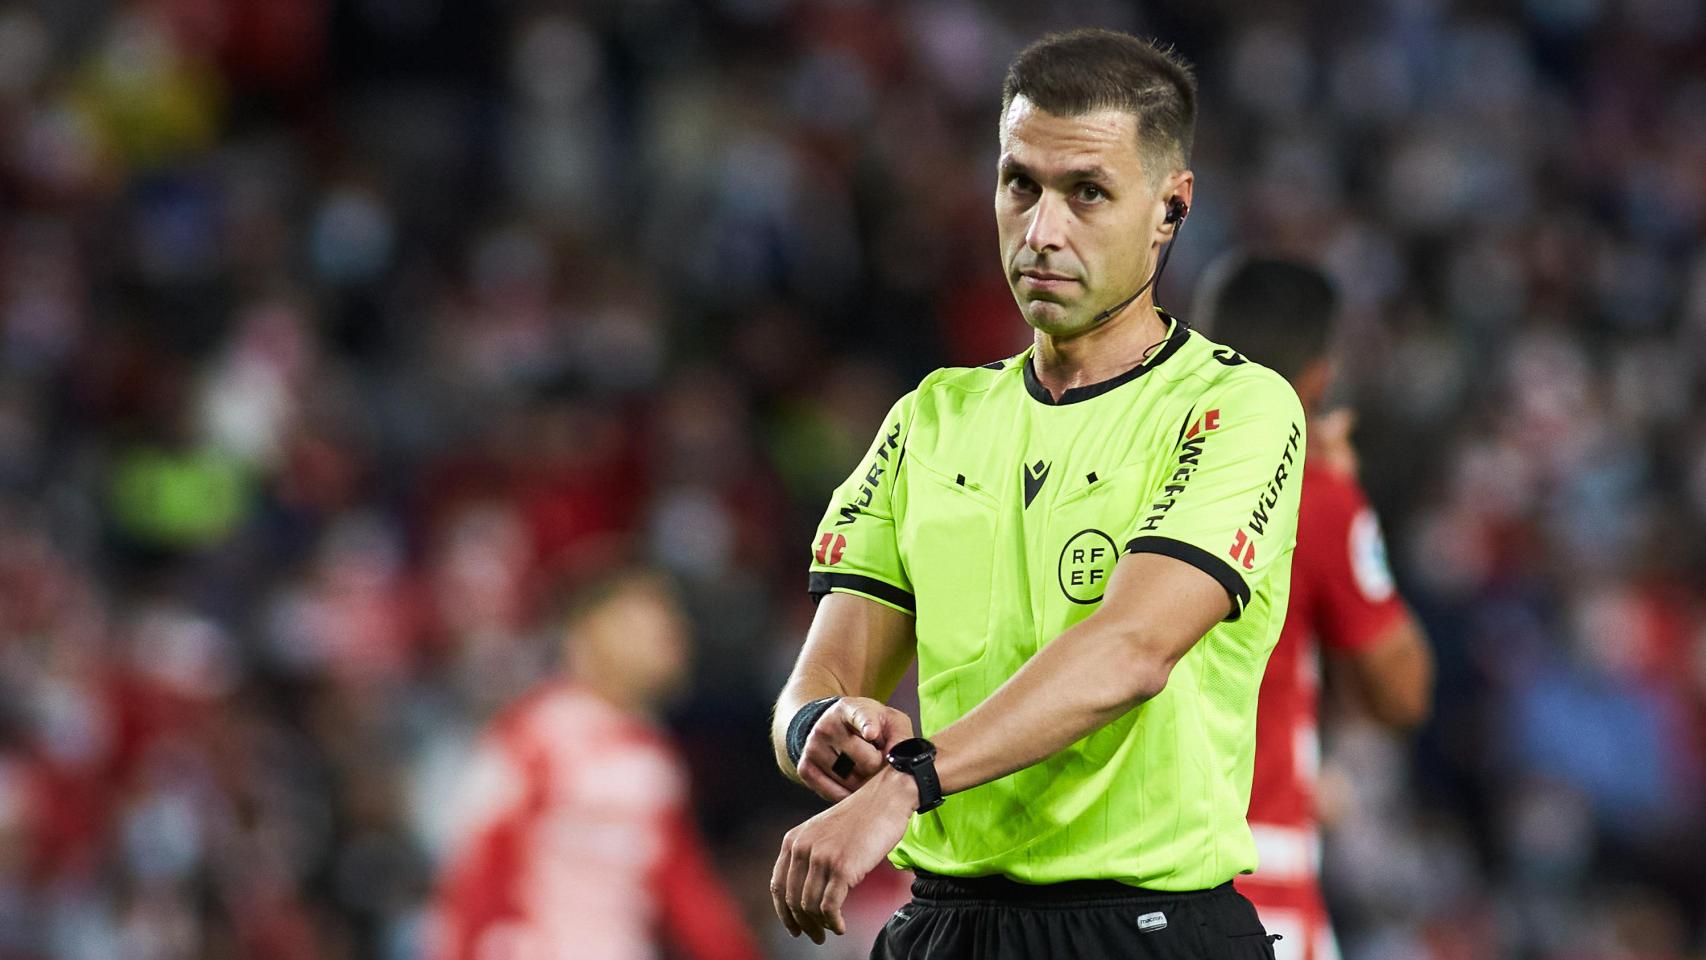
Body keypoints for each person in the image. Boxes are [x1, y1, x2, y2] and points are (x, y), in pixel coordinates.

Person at [769, 29, 1306, 959]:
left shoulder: (1237, 408)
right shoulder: (932, 418)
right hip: (948, 923)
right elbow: (819, 682)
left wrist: (905, 786)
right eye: (1021, 184)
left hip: (1150, 930)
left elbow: (1133, 649)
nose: (1043, 231)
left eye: (1087, 193)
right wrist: (821, 727)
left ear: (1170, 208)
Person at [1195, 257, 1435, 960]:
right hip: (1253, 879)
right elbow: (1402, 692)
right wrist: (1347, 509)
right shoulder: (1314, 495)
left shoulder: (1117, 466)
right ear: (1322, 376)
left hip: (1106, 879)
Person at [432, 570, 761, 960]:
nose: (665, 637)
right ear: (584, 635)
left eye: (667, 624)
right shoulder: (536, 739)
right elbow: (476, 873)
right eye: (637, 623)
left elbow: (684, 887)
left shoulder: (651, 756)